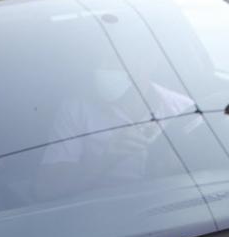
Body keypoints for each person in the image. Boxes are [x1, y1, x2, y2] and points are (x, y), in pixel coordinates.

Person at [36, 48, 194, 200]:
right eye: (98, 62)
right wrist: (104, 161)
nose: (100, 70)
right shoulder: (76, 109)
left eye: (112, 61)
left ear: (146, 63)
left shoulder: (184, 110)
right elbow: (47, 187)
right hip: (101, 214)